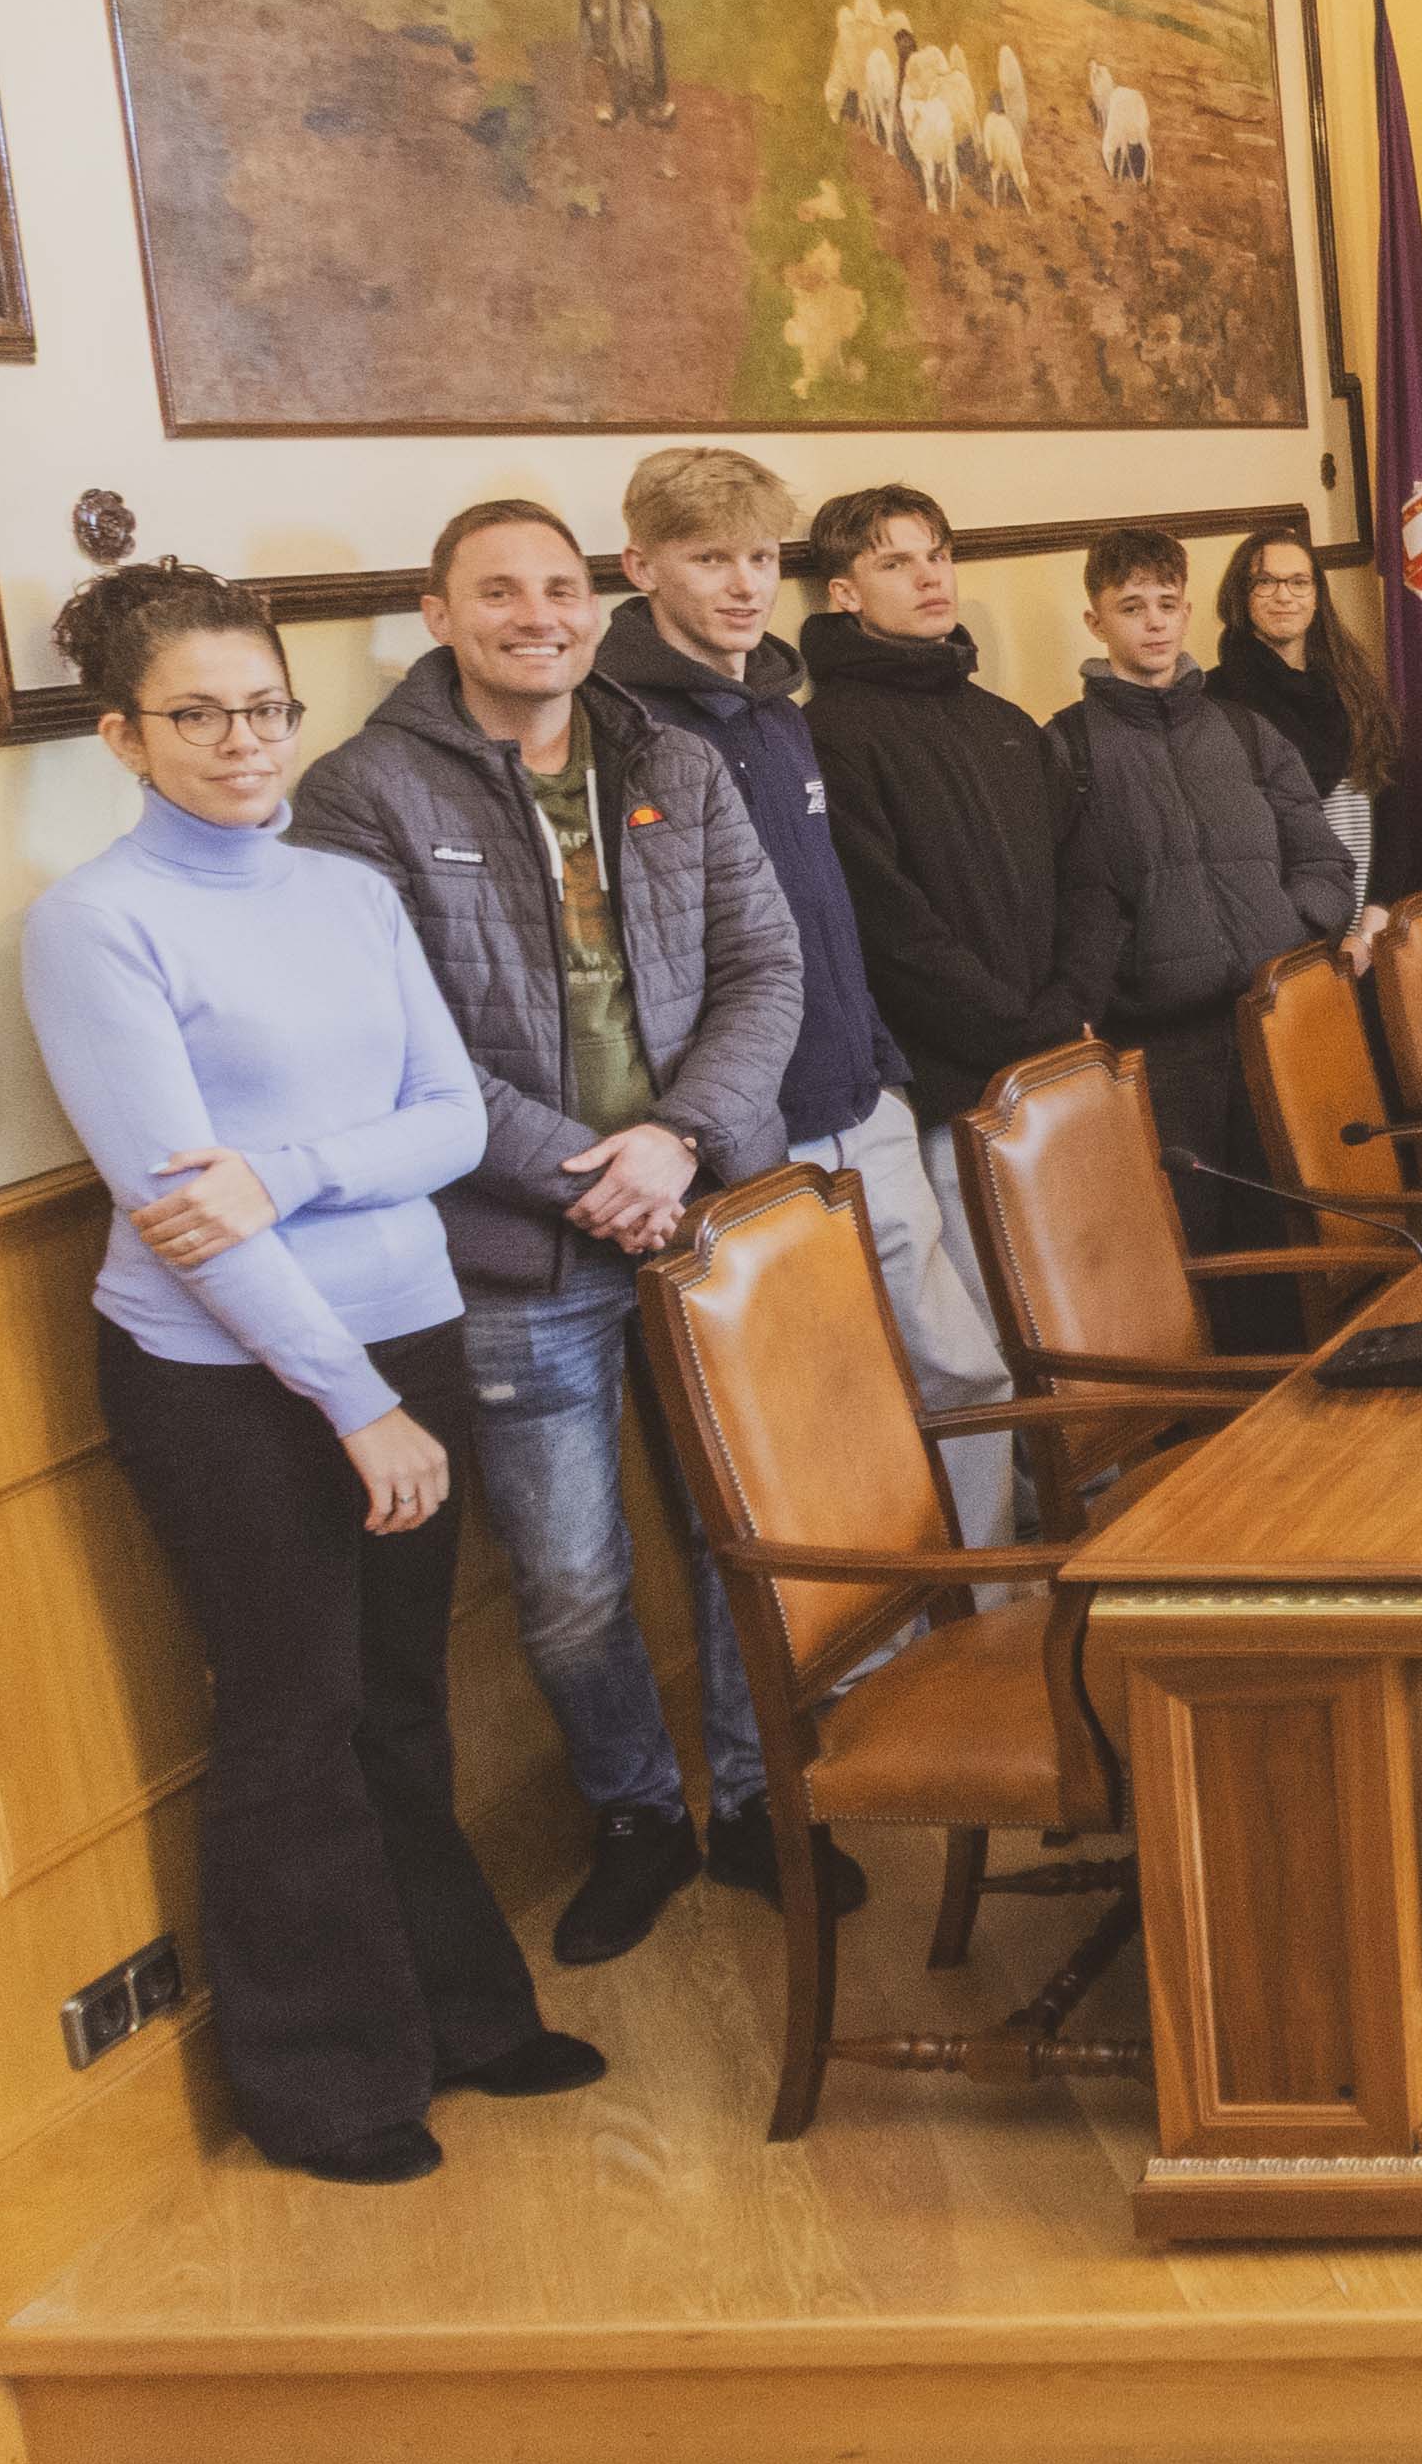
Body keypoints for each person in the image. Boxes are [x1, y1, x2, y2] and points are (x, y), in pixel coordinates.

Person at [24, 560, 590, 2187]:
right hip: (226, 1377)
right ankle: (327, 2086)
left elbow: (453, 1118)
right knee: (296, 1716)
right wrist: (355, 1403)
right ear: (126, 736)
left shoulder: (342, 884)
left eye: (263, 707)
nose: (240, 740)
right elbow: (184, 1215)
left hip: (405, 1323)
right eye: (195, 713)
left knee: (405, 1709)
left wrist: (289, 1168)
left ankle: (465, 2021)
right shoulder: (95, 924)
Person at [291, 497, 814, 1964]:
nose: (540, 613)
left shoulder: (677, 759)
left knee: (746, 1529)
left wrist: (677, 1139)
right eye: (499, 591)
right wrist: (592, 1169)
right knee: (572, 1574)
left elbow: (764, 969)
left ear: (598, 605)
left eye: (561, 587)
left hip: (707, 1209)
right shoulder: (362, 793)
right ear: (437, 611)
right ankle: (637, 1811)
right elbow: (405, 1047)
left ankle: (765, 1799)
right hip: (520, 1243)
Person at [602, 448, 1020, 1551]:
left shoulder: (781, 712)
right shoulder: (622, 735)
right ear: (642, 565)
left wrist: (879, 1060)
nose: (742, 584)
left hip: (861, 1095)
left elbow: (828, 910)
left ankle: (997, 1607)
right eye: (708, 560)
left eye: (757, 558)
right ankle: (869, 1664)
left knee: (961, 1369)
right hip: (747, 1133)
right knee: (819, 1416)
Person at [796, 483, 1088, 1363]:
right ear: (843, 592)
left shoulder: (1003, 721)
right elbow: (889, 929)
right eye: (895, 562)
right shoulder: (828, 735)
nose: (930, 579)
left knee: (1079, 1301)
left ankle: (1110, 1489)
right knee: (997, 1331)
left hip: (1056, 1058)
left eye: (938, 555)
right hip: (951, 1085)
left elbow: (1088, 875)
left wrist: (1069, 1001)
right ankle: (1032, 1507)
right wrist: (1017, 1026)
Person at [1048, 524, 1360, 1241]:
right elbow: (1066, 900)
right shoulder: (1065, 749)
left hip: (1269, 1016)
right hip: (1159, 1042)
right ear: (1096, 621)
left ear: (1188, 612)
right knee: (1191, 1233)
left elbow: (1321, 858)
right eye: (1131, 607)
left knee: (1302, 1218)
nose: (1153, 621)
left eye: (1166, 602)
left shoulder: (1246, 732)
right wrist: (1116, 980)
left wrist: (1294, 937)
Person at [1213, 518, 1401, 924]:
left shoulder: (1353, 687)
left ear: (1317, 596)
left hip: (1367, 922)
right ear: (1241, 596)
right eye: (1265, 582)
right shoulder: (1214, 700)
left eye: (1299, 582)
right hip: (1280, 926)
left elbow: (1389, 804)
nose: (1284, 596)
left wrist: (1375, 915)